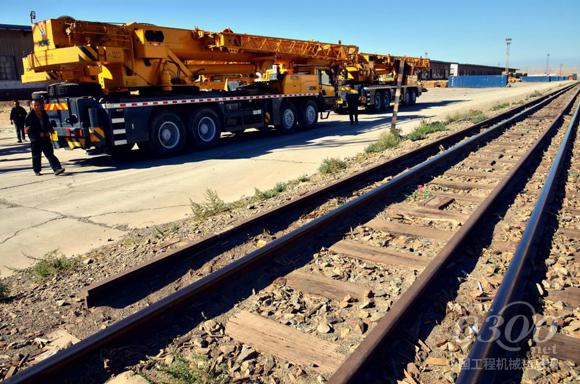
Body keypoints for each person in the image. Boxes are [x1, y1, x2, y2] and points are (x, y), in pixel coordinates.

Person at [25, 99, 65, 176]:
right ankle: (37, 170)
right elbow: (28, 129)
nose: (37, 106)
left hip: (45, 137)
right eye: (35, 105)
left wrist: (49, 131)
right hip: (35, 139)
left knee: (50, 154)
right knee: (36, 155)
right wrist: (38, 134)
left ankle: (57, 169)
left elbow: (47, 124)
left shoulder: (44, 113)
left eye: (38, 105)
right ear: (31, 106)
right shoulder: (29, 116)